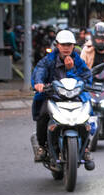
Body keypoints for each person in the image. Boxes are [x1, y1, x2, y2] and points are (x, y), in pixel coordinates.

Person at [31, 29, 93, 165]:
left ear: (73, 46)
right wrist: (39, 83)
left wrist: (70, 70)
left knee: (86, 119)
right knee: (42, 116)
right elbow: (39, 71)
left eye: (69, 45)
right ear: (57, 45)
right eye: (63, 45)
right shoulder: (48, 60)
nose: (66, 48)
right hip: (53, 97)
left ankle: (86, 148)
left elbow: (87, 78)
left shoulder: (78, 61)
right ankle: (42, 146)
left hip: (75, 97)